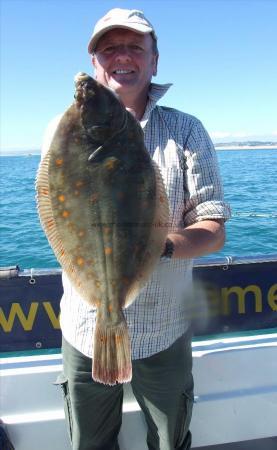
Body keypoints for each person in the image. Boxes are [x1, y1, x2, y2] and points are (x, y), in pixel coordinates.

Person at [47, 8, 231, 450]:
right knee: (89, 443)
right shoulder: (61, 129)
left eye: (134, 47)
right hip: (83, 325)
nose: (122, 57)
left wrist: (158, 246)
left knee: (169, 441)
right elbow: (55, 207)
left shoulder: (186, 131)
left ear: (154, 60)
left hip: (164, 325)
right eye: (110, 48)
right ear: (95, 62)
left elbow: (214, 228)